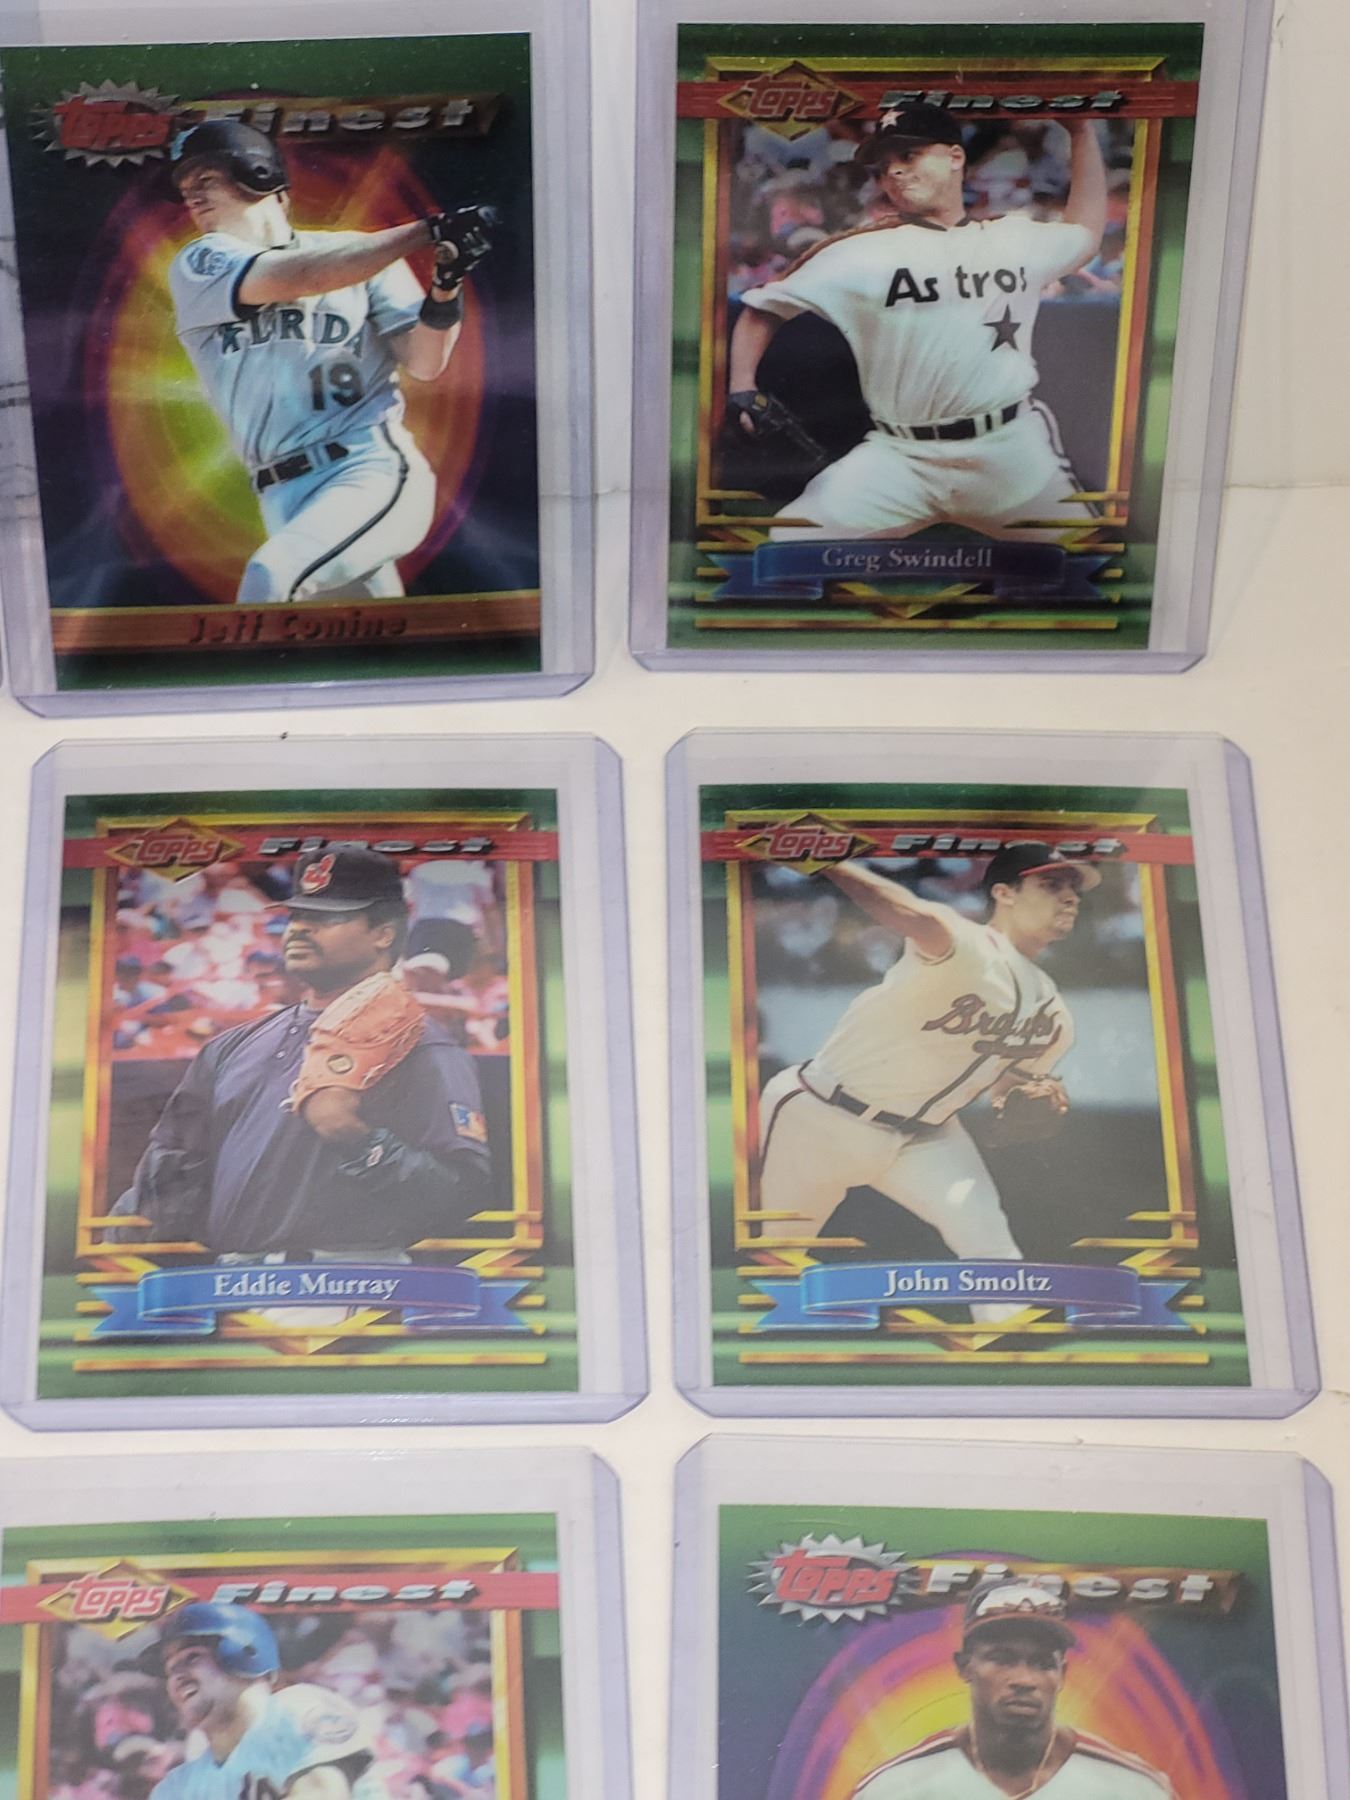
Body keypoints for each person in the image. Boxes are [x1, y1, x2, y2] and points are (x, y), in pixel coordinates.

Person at [728, 103, 1107, 543]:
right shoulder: (855, 252)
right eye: (884, 165)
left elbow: (1085, 234)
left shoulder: (1013, 239)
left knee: (1089, 560)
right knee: (787, 543)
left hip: (1008, 450)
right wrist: (743, 386)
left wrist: (1081, 134)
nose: (895, 172)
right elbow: (762, 308)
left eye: (909, 156)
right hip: (899, 457)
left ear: (955, 157)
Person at [756, 844, 1096, 1321]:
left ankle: (1011, 1339)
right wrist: (829, 859)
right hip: (820, 1115)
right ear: (1005, 893)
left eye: (1074, 888)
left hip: (926, 1136)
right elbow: (907, 911)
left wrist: (1026, 1103)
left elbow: (1005, 1091)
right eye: (1051, 884)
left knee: (987, 1237)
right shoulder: (965, 943)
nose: (1070, 897)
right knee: (774, 1254)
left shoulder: (1056, 1018)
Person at [167, 120, 493, 605]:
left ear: (258, 175)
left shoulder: (362, 256)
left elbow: (425, 361)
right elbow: (301, 275)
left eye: (205, 179)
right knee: (365, 635)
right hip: (277, 493)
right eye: (185, 188)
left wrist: (445, 287)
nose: (191, 196)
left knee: (273, 578)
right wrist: (428, 230)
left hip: (366, 468)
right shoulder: (200, 263)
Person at [110, 847, 492, 1258]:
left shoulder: (423, 1043)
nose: (298, 929)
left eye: (325, 918)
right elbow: (169, 1175)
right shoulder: (230, 1046)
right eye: (296, 915)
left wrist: (353, 1137)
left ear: (382, 933)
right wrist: (112, 1251)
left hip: (358, 1281)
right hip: (232, 1280)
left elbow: (460, 1195)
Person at [852, 1578, 1175, 1797]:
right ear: (964, 1666)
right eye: (1002, 1659)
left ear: (1062, 1674)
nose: (1024, 1680)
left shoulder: (1133, 1789)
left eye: (1042, 1663)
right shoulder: (895, 1788)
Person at [146, 1603, 388, 1800]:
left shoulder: (299, 1708)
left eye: (192, 1657)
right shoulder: (177, 1786)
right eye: (170, 1669)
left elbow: (323, 1794)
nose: (176, 1676)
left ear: (244, 1653)